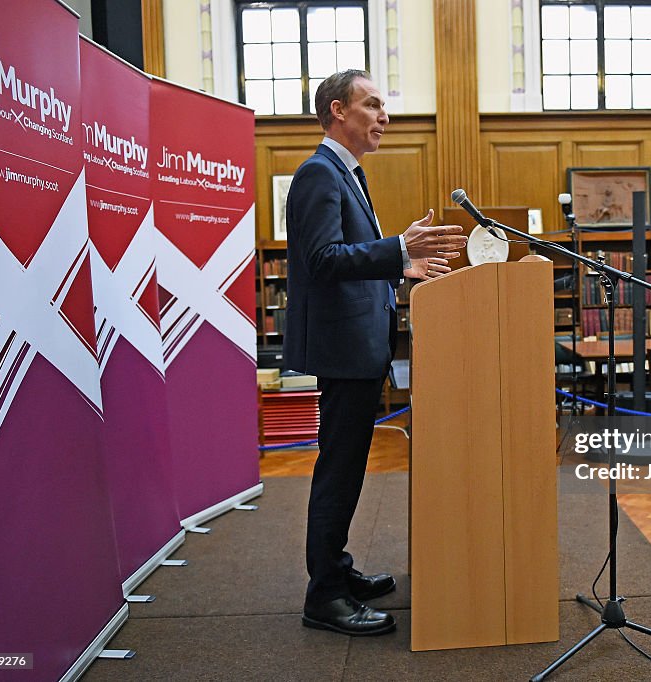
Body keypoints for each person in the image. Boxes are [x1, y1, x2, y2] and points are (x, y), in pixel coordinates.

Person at [283, 69, 467, 636]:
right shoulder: (319, 174)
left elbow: (350, 259)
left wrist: (402, 267)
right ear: (339, 110)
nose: (384, 116)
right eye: (373, 104)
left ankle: (336, 570)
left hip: (359, 346)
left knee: (349, 466)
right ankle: (325, 597)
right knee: (338, 470)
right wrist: (396, 249)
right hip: (344, 349)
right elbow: (323, 261)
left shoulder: (346, 174)